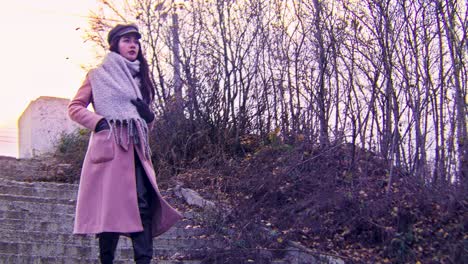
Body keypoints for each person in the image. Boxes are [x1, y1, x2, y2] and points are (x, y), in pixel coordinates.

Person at [68, 24, 183, 264]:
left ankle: (143, 260)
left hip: (136, 151)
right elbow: (75, 108)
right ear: (115, 45)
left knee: (142, 205)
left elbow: (142, 123)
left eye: (136, 41)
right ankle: (106, 260)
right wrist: (99, 123)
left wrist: (149, 117)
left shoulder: (140, 79)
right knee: (108, 211)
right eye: (127, 40)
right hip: (110, 150)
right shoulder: (97, 75)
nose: (133, 45)